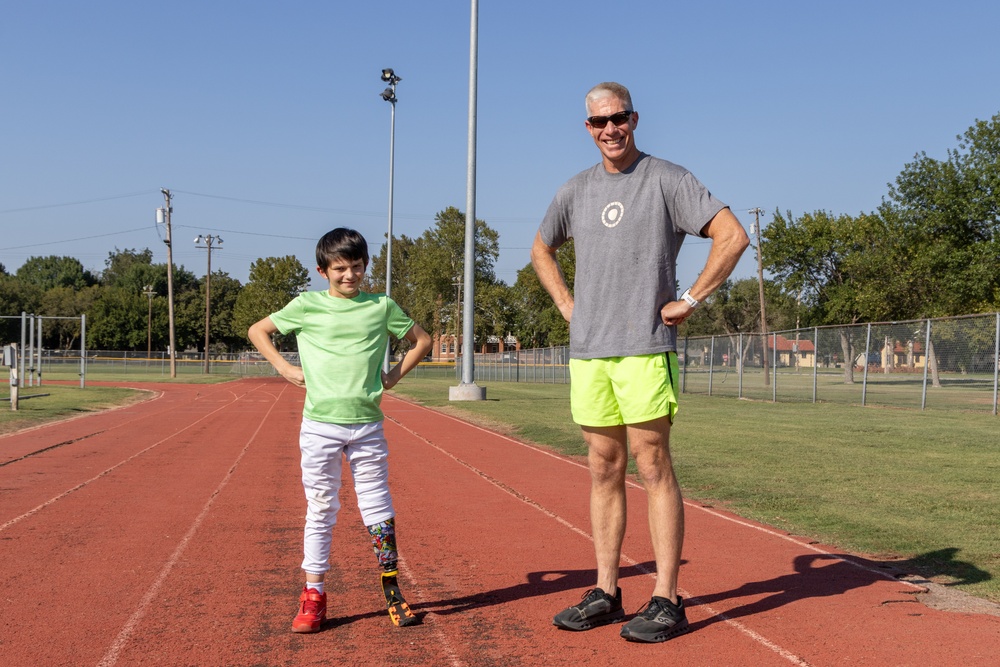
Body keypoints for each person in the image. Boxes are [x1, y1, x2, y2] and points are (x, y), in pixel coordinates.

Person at [531, 82, 749, 643]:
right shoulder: (574, 190)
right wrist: (565, 305)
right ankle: (606, 590)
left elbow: (732, 236)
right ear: (586, 127)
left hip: (646, 347)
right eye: (598, 121)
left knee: (652, 465)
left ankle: (666, 597)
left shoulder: (668, 179)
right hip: (590, 352)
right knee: (603, 466)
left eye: (619, 117)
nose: (610, 129)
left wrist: (691, 299)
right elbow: (541, 249)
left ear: (634, 118)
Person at [248, 227, 432, 633]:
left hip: (367, 427)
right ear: (322, 270)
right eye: (340, 269)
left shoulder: (381, 306)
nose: (349, 276)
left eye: (357, 267)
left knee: (378, 508)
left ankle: (392, 591)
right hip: (320, 428)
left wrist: (394, 375)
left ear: (366, 266)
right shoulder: (306, 306)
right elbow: (257, 331)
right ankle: (313, 595)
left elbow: (422, 339)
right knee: (321, 510)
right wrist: (285, 368)